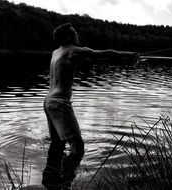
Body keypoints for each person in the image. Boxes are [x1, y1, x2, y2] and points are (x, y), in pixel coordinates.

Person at [42, 23, 138, 189]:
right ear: (69, 37)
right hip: (60, 103)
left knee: (57, 144)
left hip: (48, 102)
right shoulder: (73, 51)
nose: (77, 35)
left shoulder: (56, 52)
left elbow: (98, 57)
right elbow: (103, 54)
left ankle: (50, 180)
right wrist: (128, 55)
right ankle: (65, 183)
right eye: (74, 33)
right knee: (78, 147)